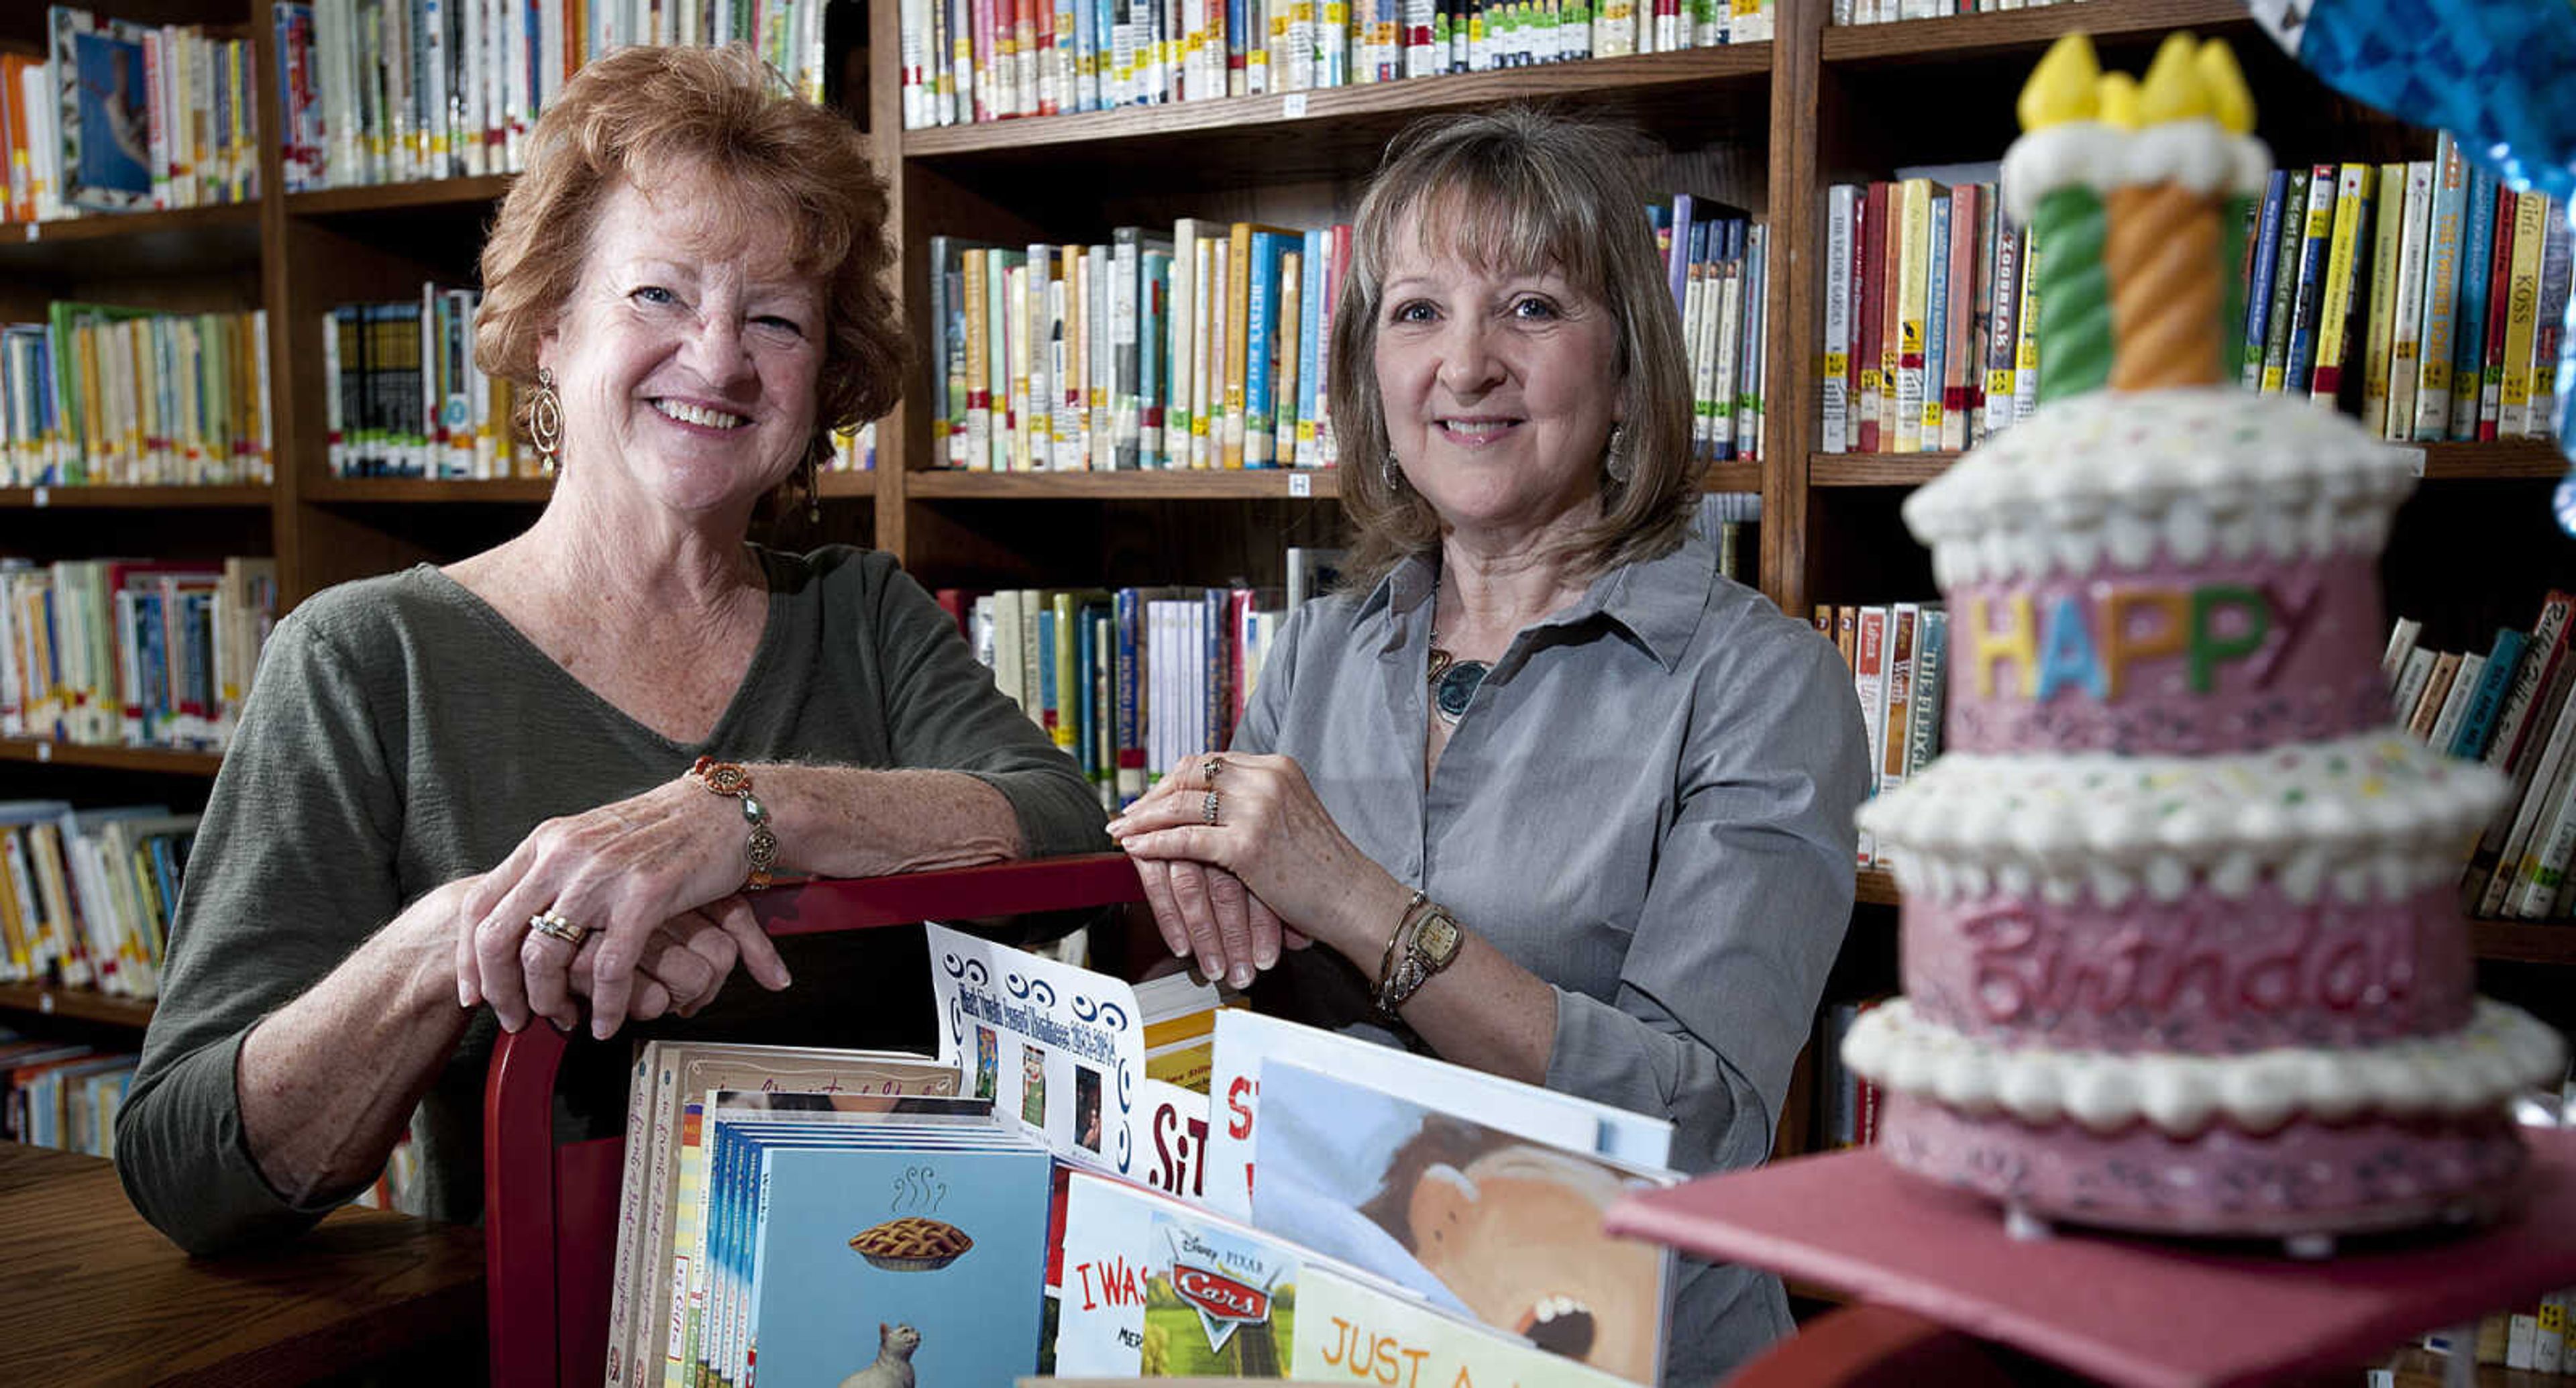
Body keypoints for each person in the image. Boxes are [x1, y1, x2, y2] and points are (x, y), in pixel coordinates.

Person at [115, 44, 1106, 1257]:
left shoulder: (863, 613)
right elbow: (186, 1165)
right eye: (659, 296)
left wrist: (744, 818)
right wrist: (461, 941)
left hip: (888, 1296)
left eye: (777, 320)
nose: (719, 358)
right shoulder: (365, 659)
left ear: (824, 381)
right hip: (537, 1338)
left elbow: (1064, 828)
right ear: (546, 327)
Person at [1105, 108, 1870, 1383]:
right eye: (1417, 313)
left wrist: (1352, 898)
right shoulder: (1316, 653)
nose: (1466, 367)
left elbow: (1697, 1124)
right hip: (1324, 1328)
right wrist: (1185, 895)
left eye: (1529, 307)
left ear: (1627, 368)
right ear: (1371, 373)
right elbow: (1244, 1018)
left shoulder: (1760, 683)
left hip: (1617, 1356)